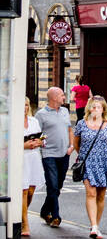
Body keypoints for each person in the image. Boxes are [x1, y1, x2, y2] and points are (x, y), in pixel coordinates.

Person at [73, 95, 107, 239]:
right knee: (91, 193)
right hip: (87, 162)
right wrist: (85, 156)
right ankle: (93, 226)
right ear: (89, 108)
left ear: (103, 109)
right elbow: (76, 144)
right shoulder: (81, 123)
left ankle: (96, 225)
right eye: (93, 106)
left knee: (101, 195)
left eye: (99, 107)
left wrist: (102, 154)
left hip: (105, 161)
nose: (96, 109)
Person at [35, 86, 74, 227]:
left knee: (58, 185)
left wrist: (71, 146)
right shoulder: (41, 115)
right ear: (53, 98)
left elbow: (70, 129)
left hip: (64, 154)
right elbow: (36, 135)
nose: (64, 97)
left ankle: (45, 211)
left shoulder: (64, 111)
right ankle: (55, 216)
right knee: (52, 185)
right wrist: (41, 143)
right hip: (49, 154)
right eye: (62, 95)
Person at [21, 98, 45, 237]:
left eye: (26, 105)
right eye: (22, 105)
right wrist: (24, 145)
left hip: (34, 158)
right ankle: (25, 224)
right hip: (21, 158)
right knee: (23, 191)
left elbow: (42, 138)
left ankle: (19, 214)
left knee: (30, 191)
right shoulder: (13, 121)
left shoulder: (33, 121)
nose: (24, 107)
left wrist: (40, 142)